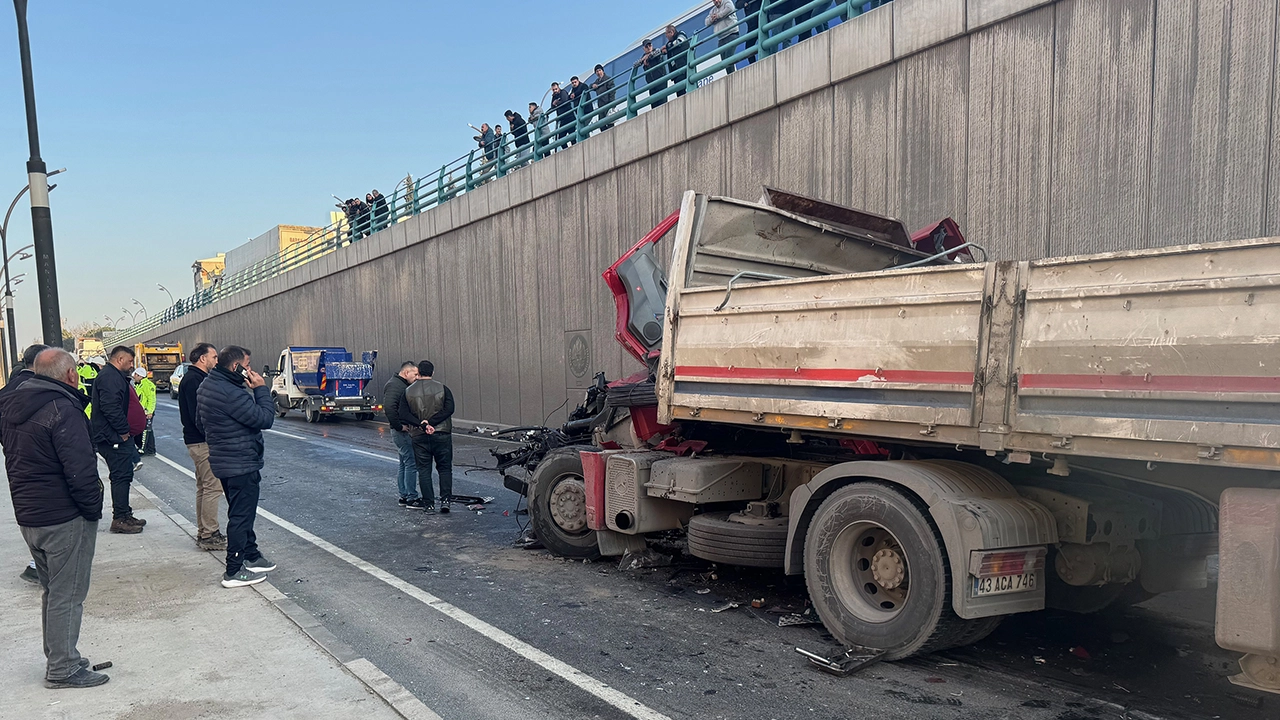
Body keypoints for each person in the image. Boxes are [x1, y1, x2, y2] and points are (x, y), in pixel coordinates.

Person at [0, 348, 108, 689]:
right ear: (71, 375)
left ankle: (61, 655)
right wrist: (93, 510)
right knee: (68, 593)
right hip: (63, 516)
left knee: (53, 590)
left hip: (31, 515)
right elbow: (81, 471)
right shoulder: (64, 408)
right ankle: (63, 668)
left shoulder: (13, 406)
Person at [196, 345, 278, 588]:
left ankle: (251, 555)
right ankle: (233, 569)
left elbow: (202, 424)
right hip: (240, 462)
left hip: (224, 459)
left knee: (242, 511)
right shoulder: (231, 392)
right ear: (236, 367)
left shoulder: (208, 385)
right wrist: (261, 389)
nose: (250, 370)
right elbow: (264, 418)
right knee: (241, 516)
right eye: (248, 365)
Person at [2, 343, 49, 584]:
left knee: (29, 512)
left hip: (16, 462)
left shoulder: (7, 391)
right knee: (49, 515)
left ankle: (37, 563)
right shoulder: (39, 389)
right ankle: (39, 565)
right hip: (42, 462)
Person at [89, 346, 146, 534]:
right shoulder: (109, 377)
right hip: (112, 436)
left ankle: (124, 513)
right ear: (119, 359)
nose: (132, 365)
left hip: (116, 435)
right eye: (130, 362)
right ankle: (120, 518)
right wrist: (123, 431)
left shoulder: (114, 376)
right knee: (120, 476)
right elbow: (110, 406)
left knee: (124, 474)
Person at [179, 342, 227, 551]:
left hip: (196, 441)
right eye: (214, 357)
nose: (216, 361)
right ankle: (209, 534)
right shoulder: (194, 381)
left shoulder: (195, 379)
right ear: (202, 358)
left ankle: (204, 531)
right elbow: (199, 415)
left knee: (203, 487)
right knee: (213, 487)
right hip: (202, 442)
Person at [404, 360, 455, 514]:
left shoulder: (408, 391)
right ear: (432, 372)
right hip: (442, 433)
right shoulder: (443, 388)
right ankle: (445, 501)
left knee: (424, 470)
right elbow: (449, 409)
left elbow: (403, 413)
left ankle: (429, 505)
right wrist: (432, 422)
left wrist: (422, 424)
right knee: (445, 469)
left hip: (419, 435)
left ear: (418, 372)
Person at [382, 361, 423, 509]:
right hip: (401, 431)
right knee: (411, 462)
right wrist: (399, 426)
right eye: (415, 374)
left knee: (404, 463)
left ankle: (404, 495)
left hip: (401, 429)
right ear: (406, 373)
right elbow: (389, 408)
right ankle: (411, 497)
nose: (417, 377)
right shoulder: (395, 386)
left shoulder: (399, 385)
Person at [706, 0, 741, 74]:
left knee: (729, 58)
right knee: (724, 61)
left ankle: (733, 75)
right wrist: (712, 19)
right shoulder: (713, 10)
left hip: (732, 34)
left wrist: (718, 16)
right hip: (721, 38)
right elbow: (706, 22)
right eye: (713, 0)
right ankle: (730, 75)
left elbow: (730, 8)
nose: (716, 1)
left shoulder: (727, 2)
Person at [662, 24, 691, 99]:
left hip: (684, 68)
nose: (666, 37)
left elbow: (679, 41)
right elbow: (668, 46)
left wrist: (667, 47)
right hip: (676, 72)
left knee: (689, 90)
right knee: (680, 94)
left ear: (671, 32)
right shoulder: (669, 43)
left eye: (666, 34)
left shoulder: (681, 34)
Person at [132, 367, 156, 456]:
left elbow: (151, 399)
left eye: (135, 375)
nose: (134, 377)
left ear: (140, 376)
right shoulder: (138, 384)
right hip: (141, 412)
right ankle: (150, 449)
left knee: (145, 431)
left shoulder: (147, 385)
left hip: (146, 412)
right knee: (148, 430)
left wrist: (150, 411)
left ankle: (143, 449)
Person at [635, 39, 666, 107]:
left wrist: (648, 57)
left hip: (661, 82)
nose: (649, 47)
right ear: (644, 48)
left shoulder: (656, 51)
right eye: (646, 46)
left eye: (650, 45)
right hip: (651, 85)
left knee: (663, 103)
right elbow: (635, 64)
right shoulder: (643, 57)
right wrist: (643, 59)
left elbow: (657, 52)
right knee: (654, 106)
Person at [589, 64, 616, 131]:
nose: (598, 72)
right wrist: (592, 85)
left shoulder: (608, 79)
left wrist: (612, 104)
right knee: (601, 124)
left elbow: (612, 91)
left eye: (599, 70)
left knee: (610, 123)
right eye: (597, 71)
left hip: (608, 103)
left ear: (603, 71)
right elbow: (589, 87)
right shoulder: (597, 81)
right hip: (601, 105)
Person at [549, 82, 573, 147]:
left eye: (556, 89)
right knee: (561, 138)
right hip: (562, 119)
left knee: (572, 135)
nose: (555, 91)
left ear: (558, 87)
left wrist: (557, 102)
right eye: (553, 90)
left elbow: (564, 101)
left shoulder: (563, 92)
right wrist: (555, 102)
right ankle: (566, 150)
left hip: (569, 116)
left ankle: (575, 147)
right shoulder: (554, 96)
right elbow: (552, 106)